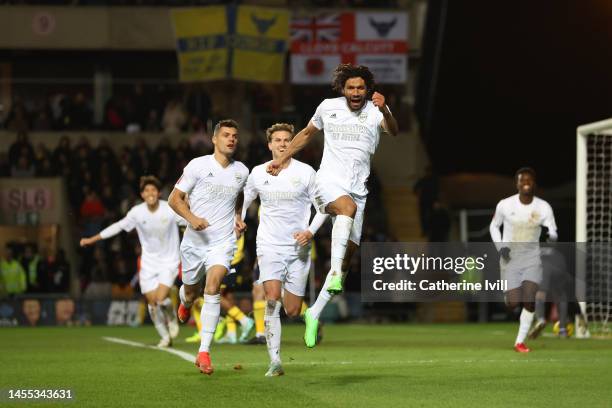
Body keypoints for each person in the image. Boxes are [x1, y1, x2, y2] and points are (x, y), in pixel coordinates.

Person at [267, 63, 398, 348]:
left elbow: (394, 130)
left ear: (368, 90)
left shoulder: (376, 111)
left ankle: (314, 312)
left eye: (360, 87)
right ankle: (335, 272)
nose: (355, 92)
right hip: (327, 183)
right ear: (342, 89)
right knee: (346, 209)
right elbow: (304, 133)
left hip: (358, 189)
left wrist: (386, 108)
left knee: (350, 254)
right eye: (350, 87)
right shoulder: (328, 107)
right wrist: (282, 158)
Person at [242, 123, 329, 376]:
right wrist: (239, 219)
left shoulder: (306, 173)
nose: (281, 144)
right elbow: (246, 199)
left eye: (286, 140)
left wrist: (310, 232)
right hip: (268, 244)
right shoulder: (258, 173)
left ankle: (310, 315)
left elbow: (322, 207)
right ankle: (275, 361)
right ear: (269, 144)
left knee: (291, 310)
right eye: (277, 140)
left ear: (293, 143)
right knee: (271, 299)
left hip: (298, 248)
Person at [169, 119, 248, 375]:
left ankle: (204, 351)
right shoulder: (198, 165)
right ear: (215, 139)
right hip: (194, 242)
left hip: (223, 241)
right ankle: (185, 300)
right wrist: (192, 219)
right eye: (226, 135)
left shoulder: (242, 171)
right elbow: (174, 199)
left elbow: (239, 197)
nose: (231, 139)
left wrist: (237, 216)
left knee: (213, 287)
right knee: (191, 292)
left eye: (234, 135)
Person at [80, 176, 182, 347]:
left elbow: (190, 221)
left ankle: (171, 315)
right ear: (142, 194)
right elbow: (118, 226)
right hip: (148, 263)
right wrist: (93, 239)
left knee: (160, 298)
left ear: (158, 193)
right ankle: (165, 337)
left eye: (153, 190)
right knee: (152, 303)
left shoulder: (169, 209)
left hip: (169, 261)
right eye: (146, 190)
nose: (150, 193)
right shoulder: (137, 212)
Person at [489, 167, 558, 353]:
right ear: (517, 183)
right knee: (512, 303)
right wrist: (501, 247)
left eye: (529, 180)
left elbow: (553, 231)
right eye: (522, 180)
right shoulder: (505, 205)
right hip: (510, 257)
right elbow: (494, 226)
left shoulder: (543, 207)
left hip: (532, 258)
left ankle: (519, 342)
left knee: (529, 299)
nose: (526, 183)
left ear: (534, 183)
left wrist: (550, 235)